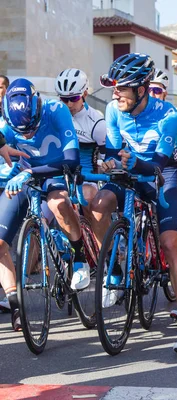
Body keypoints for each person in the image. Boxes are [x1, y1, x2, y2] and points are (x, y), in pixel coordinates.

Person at [91, 53, 177, 355]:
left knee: (171, 242)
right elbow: (112, 151)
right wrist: (110, 163)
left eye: (122, 87)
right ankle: (116, 269)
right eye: (114, 86)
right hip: (130, 171)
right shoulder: (112, 110)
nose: (115, 93)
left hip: (163, 175)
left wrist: (134, 161)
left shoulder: (169, 115)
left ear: (142, 88)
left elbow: (158, 166)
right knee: (99, 204)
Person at [0, 79, 88, 331]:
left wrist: (32, 172)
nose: (26, 135)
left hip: (57, 173)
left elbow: (71, 160)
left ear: (37, 107)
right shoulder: (6, 123)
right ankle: (16, 305)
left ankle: (79, 258)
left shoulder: (55, 110)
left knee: (59, 204)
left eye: (31, 128)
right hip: (23, 178)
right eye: (21, 132)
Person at [54, 68, 107, 214]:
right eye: (64, 99)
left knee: (88, 197)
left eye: (74, 98)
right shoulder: (54, 115)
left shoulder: (96, 122)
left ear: (85, 93)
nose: (69, 104)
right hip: (58, 176)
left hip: (85, 178)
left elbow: (107, 157)